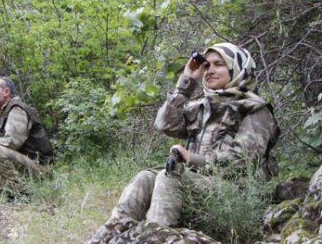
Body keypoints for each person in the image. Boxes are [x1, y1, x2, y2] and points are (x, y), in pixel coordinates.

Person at [108, 42, 280, 227]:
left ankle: (158, 242)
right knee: (145, 177)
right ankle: (111, 237)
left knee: (168, 177)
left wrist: (192, 159)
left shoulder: (256, 110)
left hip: (235, 195)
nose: (210, 70)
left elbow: (242, 161)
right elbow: (164, 124)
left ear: (238, 68)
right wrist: (186, 83)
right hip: (198, 186)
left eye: (219, 64)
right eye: (207, 65)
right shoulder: (202, 107)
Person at [0, 76, 54, 193]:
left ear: (6, 92)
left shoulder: (17, 109)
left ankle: (23, 193)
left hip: (41, 170)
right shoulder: (3, 116)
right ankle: (4, 193)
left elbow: (12, 142)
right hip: (29, 166)